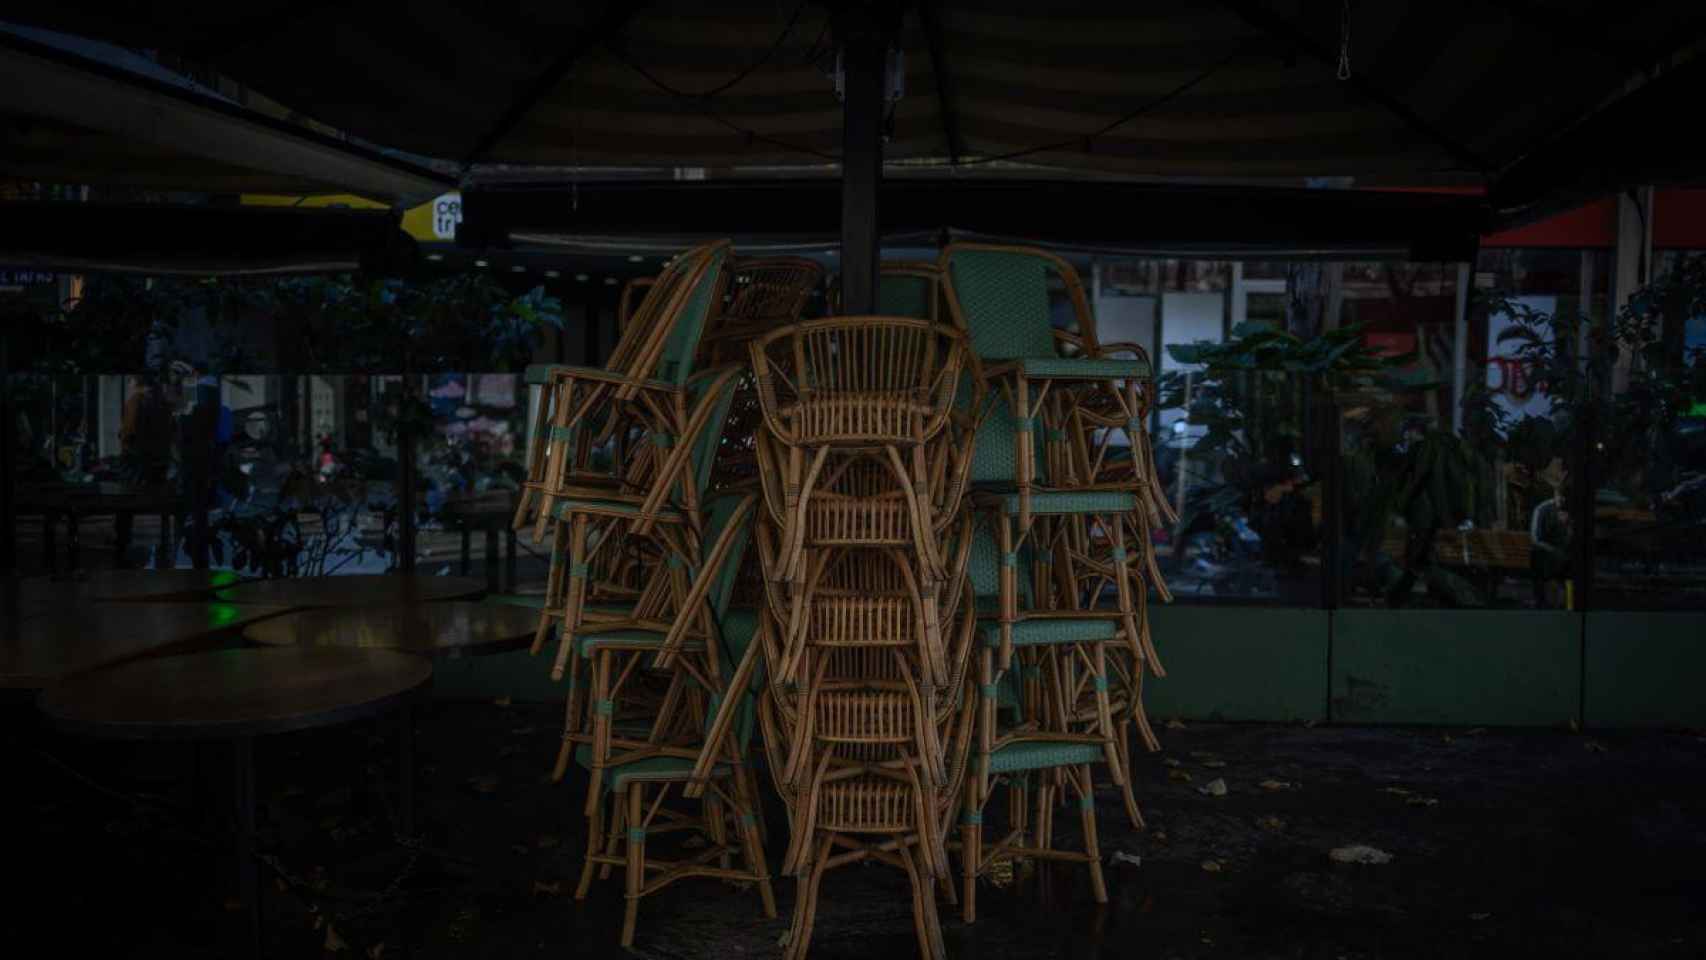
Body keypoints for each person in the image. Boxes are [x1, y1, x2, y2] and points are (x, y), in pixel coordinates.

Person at [113, 374, 179, 565]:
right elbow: (172, 434)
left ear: (137, 382)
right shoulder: (164, 404)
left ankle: (123, 546)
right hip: (158, 466)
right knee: (161, 508)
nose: (130, 385)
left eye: (131, 381)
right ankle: (164, 546)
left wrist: (125, 441)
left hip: (136, 465)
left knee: (123, 506)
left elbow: (128, 433)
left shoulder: (135, 401)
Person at [1528, 461, 1571, 607]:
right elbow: (1535, 539)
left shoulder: (1572, 509)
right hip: (1549, 567)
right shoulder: (1543, 509)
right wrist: (1554, 551)